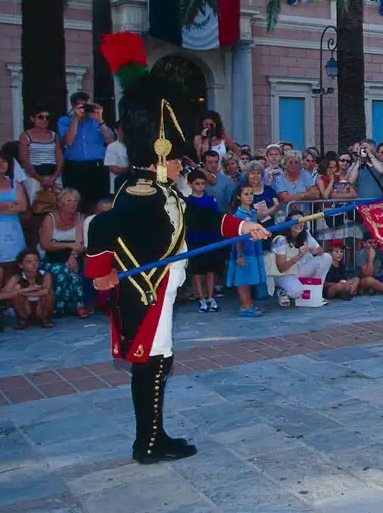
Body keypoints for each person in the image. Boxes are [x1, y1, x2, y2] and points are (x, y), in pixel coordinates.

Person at [85, 45, 269, 466]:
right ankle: (148, 444)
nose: (182, 167)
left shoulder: (160, 191)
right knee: (151, 363)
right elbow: (100, 227)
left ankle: (155, 436)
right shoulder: (140, 192)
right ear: (163, 153)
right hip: (144, 294)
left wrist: (243, 226)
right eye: (178, 161)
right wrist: (101, 273)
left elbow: (198, 217)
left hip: (159, 293)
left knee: (158, 361)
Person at [58, 91, 114, 212]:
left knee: (98, 203)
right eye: (80, 106)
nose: (84, 109)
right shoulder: (64, 121)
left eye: (86, 105)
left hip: (96, 166)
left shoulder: (96, 122)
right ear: (73, 106)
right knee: (75, 204)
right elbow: (68, 141)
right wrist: (75, 119)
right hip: (74, 166)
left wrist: (100, 120)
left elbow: (110, 141)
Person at [39, 188, 89, 317]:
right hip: (52, 258)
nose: (72, 203)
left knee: (72, 272)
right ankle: (74, 306)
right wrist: (68, 244)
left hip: (73, 257)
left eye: (75, 200)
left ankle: (66, 306)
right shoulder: (50, 218)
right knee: (64, 271)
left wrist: (72, 256)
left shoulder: (80, 217)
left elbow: (80, 244)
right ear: (60, 202)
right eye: (68, 200)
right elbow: (45, 244)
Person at [270, 209, 333, 305]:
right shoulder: (281, 240)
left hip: (298, 270)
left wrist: (317, 251)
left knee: (326, 257)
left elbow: (320, 249)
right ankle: (282, 290)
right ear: (289, 223)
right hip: (283, 274)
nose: (299, 224)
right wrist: (299, 255)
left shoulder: (305, 234)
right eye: (295, 221)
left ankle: (315, 291)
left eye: (302, 221)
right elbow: (281, 268)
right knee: (296, 292)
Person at [185, 171, 223, 313]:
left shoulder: (210, 200)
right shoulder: (187, 201)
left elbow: (216, 217)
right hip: (195, 237)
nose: (200, 186)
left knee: (211, 269)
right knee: (197, 270)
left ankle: (210, 297)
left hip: (211, 237)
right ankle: (201, 298)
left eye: (202, 184)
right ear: (190, 184)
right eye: (197, 184)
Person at [227, 184, 267, 316]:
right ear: (239, 196)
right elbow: (238, 237)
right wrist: (240, 254)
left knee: (249, 277)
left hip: (253, 248)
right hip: (244, 250)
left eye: (251, 193)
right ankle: (244, 306)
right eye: (246, 194)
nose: (250, 197)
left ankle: (249, 303)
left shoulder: (253, 212)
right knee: (242, 278)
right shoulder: (239, 214)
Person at [0, 149, 29, 277]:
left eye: (4, 161)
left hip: (13, 229)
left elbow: (23, 206)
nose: (2, 164)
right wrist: (11, 205)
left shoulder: (14, 183)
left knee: (14, 267)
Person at [2, 249, 55, 329]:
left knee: (49, 292)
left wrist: (25, 292)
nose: (34, 264)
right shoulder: (16, 277)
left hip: (40, 306)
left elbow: (46, 291)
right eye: (29, 262)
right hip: (25, 306)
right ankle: (23, 319)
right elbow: (2, 294)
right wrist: (23, 291)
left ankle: (45, 318)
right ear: (21, 265)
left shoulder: (45, 275)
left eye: (36, 260)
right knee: (16, 291)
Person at [19, 107, 63, 202]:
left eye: (47, 117)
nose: (44, 120)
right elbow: (24, 160)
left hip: (52, 174)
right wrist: (40, 178)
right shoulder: (25, 136)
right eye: (41, 117)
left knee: (57, 202)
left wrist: (54, 177)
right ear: (32, 118)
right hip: (33, 175)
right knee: (35, 202)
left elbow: (60, 158)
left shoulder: (54, 136)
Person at [103, 125, 129, 195]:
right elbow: (114, 169)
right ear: (116, 130)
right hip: (117, 187)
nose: (125, 132)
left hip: (132, 186)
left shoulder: (134, 146)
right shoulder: (112, 147)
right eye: (122, 129)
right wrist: (131, 169)